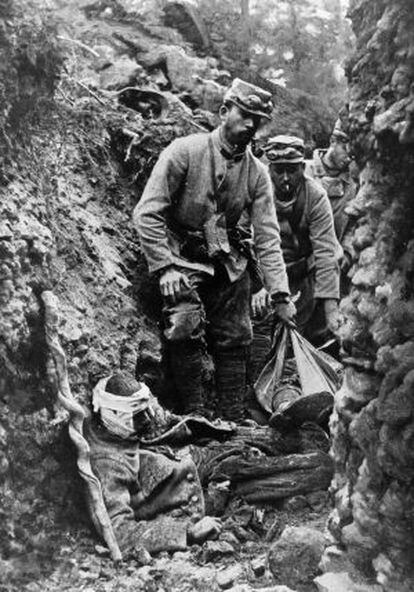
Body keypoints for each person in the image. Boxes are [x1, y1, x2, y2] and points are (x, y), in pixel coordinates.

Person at [133, 78, 295, 422]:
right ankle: (195, 411)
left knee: (237, 331)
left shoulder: (257, 173)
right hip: (179, 255)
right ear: (224, 111)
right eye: (244, 114)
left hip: (223, 257)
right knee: (185, 321)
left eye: (258, 120)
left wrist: (280, 295)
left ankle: (232, 415)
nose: (250, 125)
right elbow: (147, 212)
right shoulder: (185, 151)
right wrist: (164, 267)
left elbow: (267, 236)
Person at [86, 371, 223, 558]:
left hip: (186, 468)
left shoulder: (115, 430)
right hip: (183, 505)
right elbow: (118, 532)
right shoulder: (106, 464)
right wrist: (186, 534)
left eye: (146, 411)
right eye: (138, 415)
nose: (147, 419)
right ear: (115, 414)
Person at [252, 135, 341, 350]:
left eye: (291, 171)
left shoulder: (316, 196)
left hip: (301, 273)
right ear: (268, 168)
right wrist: (259, 286)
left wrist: (331, 311)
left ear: (302, 168)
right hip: (262, 272)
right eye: (278, 170)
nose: (285, 178)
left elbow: (325, 252)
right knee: (258, 336)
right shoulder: (256, 190)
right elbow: (247, 240)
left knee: (298, 336)